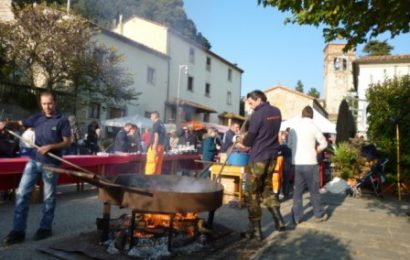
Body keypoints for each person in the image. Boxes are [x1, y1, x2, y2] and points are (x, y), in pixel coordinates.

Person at [0, 91, 71, 245]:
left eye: (50, 103)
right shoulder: (37, 118)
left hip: (51, 164)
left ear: (55, 102)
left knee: (49, 197)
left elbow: (67, 142)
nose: (47, 106)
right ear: (41, 103)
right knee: (22, 194)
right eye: (44, 103)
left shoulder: (62, 121)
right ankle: (18, 231)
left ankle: (45, 228)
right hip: (33, 161)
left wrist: (51, 146)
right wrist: (6, 124)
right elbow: (19, 123)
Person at [236, 90, 286, 240]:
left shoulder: (257, 114)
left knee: (251, 193)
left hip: (258, 157)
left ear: (258, 99)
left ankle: (256, 230)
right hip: (272, 157)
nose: (250, 107)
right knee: (267, 189)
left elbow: (250, 139)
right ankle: (279, 220)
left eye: (251, 103)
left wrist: (241, 143)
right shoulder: (277, 111)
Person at [287, 106, 328, 225]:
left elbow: (289, 145)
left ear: (302, 114)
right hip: (310, 163)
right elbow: (324, 143)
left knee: (297, 191)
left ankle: (297, 216)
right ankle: (318, 214)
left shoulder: (294, 127)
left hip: (297, 163)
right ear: (312, 116)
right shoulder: (314, 127)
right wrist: (317, 150)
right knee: (314, 190)